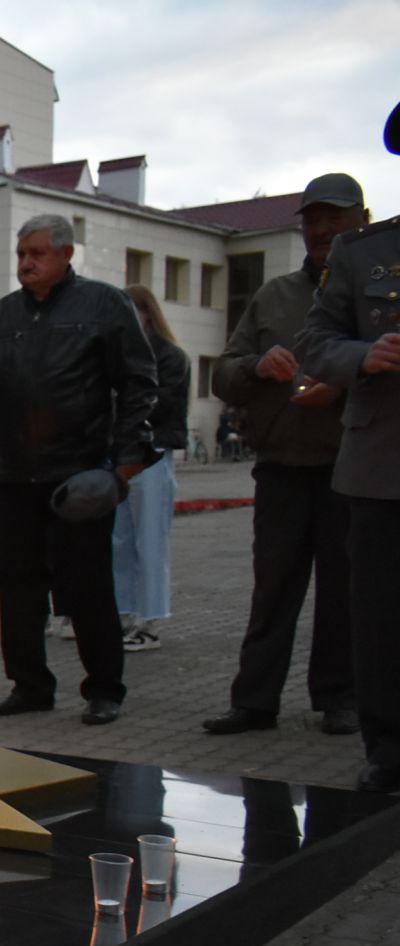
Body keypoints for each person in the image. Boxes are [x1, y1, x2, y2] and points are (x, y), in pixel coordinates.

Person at [0, 213, 157, 726]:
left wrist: (127, 457)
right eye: (20, 255)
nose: (26, 263)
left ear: (66, 255)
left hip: (78, 473)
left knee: (88, 586)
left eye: (36, 254)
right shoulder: (2, 317)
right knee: (16, 584)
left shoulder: (104, 305)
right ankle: (29, 686)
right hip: (16, 474)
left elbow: (139, 380)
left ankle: (104, 689)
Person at [206, 173, 366, 740]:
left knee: (343, 591)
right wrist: (255, 366)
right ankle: (254, 702)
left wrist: (342, 382)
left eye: (335, 218)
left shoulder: (376, 292)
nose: (322, 229)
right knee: (273, 588)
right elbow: (224, 374)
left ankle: (339, 698)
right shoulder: (273, 295)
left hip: (352, 468)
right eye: (313, 220)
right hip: (280, 467)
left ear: (361, 222)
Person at [296, 104, 400, 791]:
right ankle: (388, 750)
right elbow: (315, 343)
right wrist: (367, 355)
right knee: (382, 617)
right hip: (382, 463)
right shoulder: (366, 253)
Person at [114, 285, 189, 652]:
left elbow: (163, 404)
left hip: (154, 454)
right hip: (121, 457)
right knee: (120, 541)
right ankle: (125, 613)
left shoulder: (170, 356)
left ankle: (151, 621)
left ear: (147, 313)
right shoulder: (120, 356)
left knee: (151, 539)